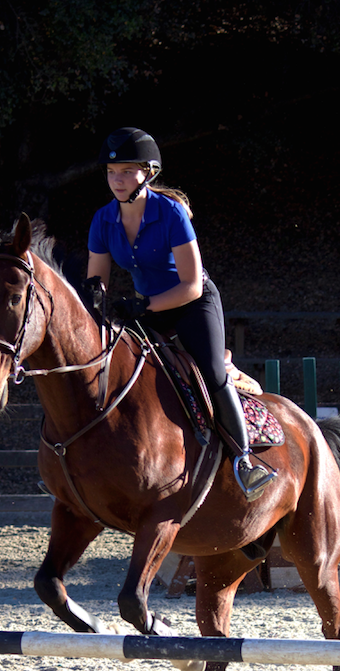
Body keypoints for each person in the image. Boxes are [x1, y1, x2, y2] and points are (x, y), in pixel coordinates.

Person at [87, 126, 275, 501]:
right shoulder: (102, 220)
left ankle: (244, 460)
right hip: (147, 309)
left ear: (148, 173)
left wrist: (143, 306)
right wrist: (98, 303)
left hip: (192, 304)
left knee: (210, 372)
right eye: (111, 172)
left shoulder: (171, 213)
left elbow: (191, 284)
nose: (117, 180)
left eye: (126, 171)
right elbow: (97, 282)